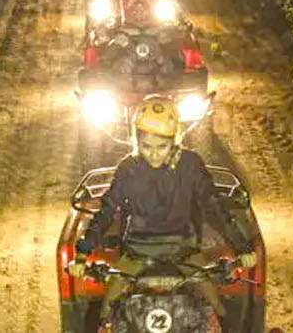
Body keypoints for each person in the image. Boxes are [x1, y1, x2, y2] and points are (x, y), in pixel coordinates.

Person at [69, 95, 257, 320]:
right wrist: (82, 253)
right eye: (147, 147)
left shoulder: (191, 165)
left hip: (184, 252)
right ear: (136, 141)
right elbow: (107, 210)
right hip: (137, 253)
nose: (154, 154)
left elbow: (214, 207)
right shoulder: (128, 168)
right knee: (106, 317)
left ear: (175, 140)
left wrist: (241, 247)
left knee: (219, 315)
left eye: (162, 146)